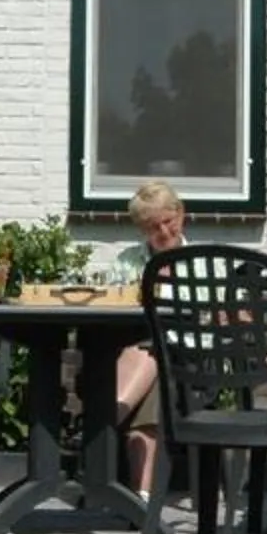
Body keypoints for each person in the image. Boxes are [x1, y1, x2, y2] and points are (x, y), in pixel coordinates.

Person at [108, 179, 187, 496]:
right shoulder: (128, 262)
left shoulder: (205, 261)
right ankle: (141, 497)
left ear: (181, 214)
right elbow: (110, 314)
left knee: (156, 349)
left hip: (192, 364)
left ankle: (106, 418)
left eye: (168, 222)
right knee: (154, 367)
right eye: (153, 227)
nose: (164, 232)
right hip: (139, 361)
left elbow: (215, 329)